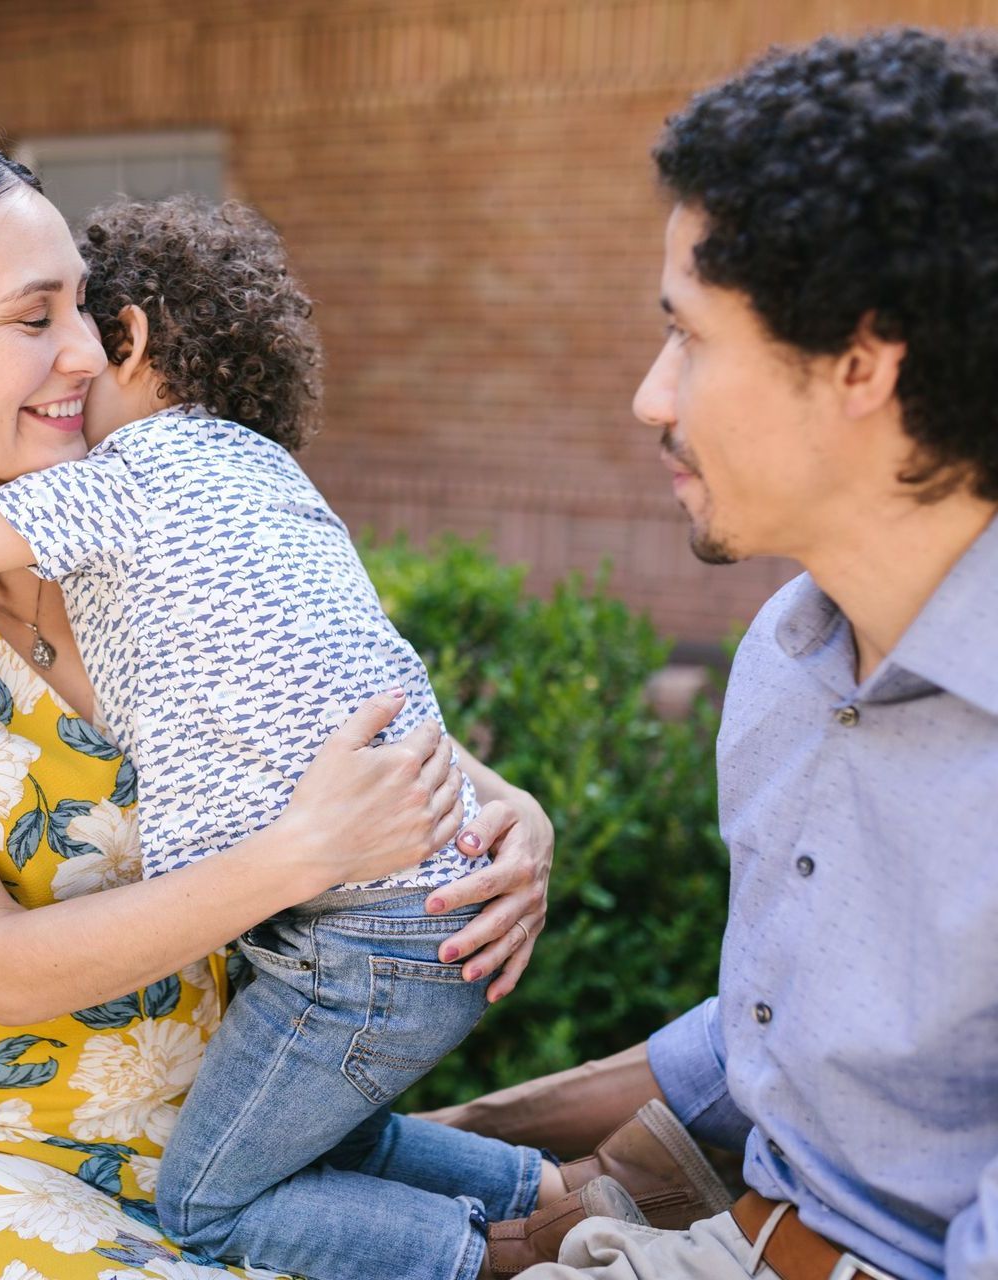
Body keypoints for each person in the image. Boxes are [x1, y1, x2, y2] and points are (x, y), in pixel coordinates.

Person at [0, 123, 554, 1280]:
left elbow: (327, 700)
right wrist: (305, 854)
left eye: (83, 309)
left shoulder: (146, 513)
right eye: (32, 318)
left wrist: (508, 808)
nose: (79, 353)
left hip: (260, 1136)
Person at [425, 26, 998, 1280]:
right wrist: (458, 1139)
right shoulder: (791, 657)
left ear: (860, 363)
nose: (649, 395)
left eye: (687, 334)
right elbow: (779, 1041)